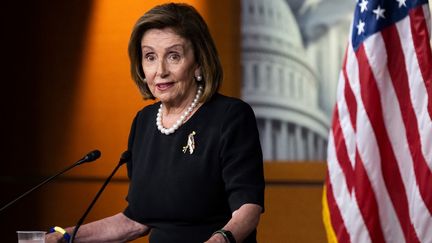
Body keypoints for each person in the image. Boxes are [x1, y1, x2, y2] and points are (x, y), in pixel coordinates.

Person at [46, 2, 264, 243]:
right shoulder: (144, 122)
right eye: (150, 56)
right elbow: (136, 220)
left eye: (173, 56)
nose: (160, 70)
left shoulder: (230, 116)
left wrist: (219, 240)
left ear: (199, 62)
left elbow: (248, 208)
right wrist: (64, 237)